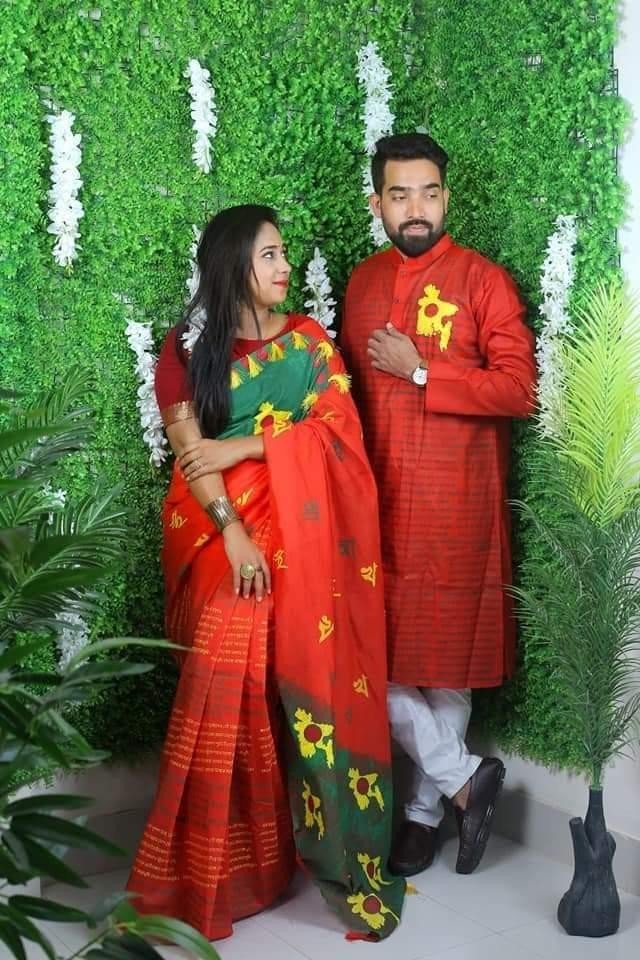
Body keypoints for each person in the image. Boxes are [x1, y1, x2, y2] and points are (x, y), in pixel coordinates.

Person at [126, 205, 405, 941]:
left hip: (302, 535)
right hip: (218, 532)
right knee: (228, 662)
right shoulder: (187, 349)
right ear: (234, 267)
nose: (285, 267)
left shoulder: (310, 342)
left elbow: (338, 436)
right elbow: (193, 456)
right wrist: (235, 533)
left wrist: (250, 445)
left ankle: (295, 850)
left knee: (296, 676)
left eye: (285, 254)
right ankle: (216, 870)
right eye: (270, 256)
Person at [341, 133, 537, 878]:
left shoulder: (484, 281)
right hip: (378, 502)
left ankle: (422, 819)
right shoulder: (362, 284)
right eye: (400, 195)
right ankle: (464, 780)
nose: (416, 208)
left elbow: (518, 389)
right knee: (372, 656)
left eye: (428, 193)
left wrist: (423, 370)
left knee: (446, 667)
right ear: (377, 203)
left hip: (458, 502)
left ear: (446, 198)